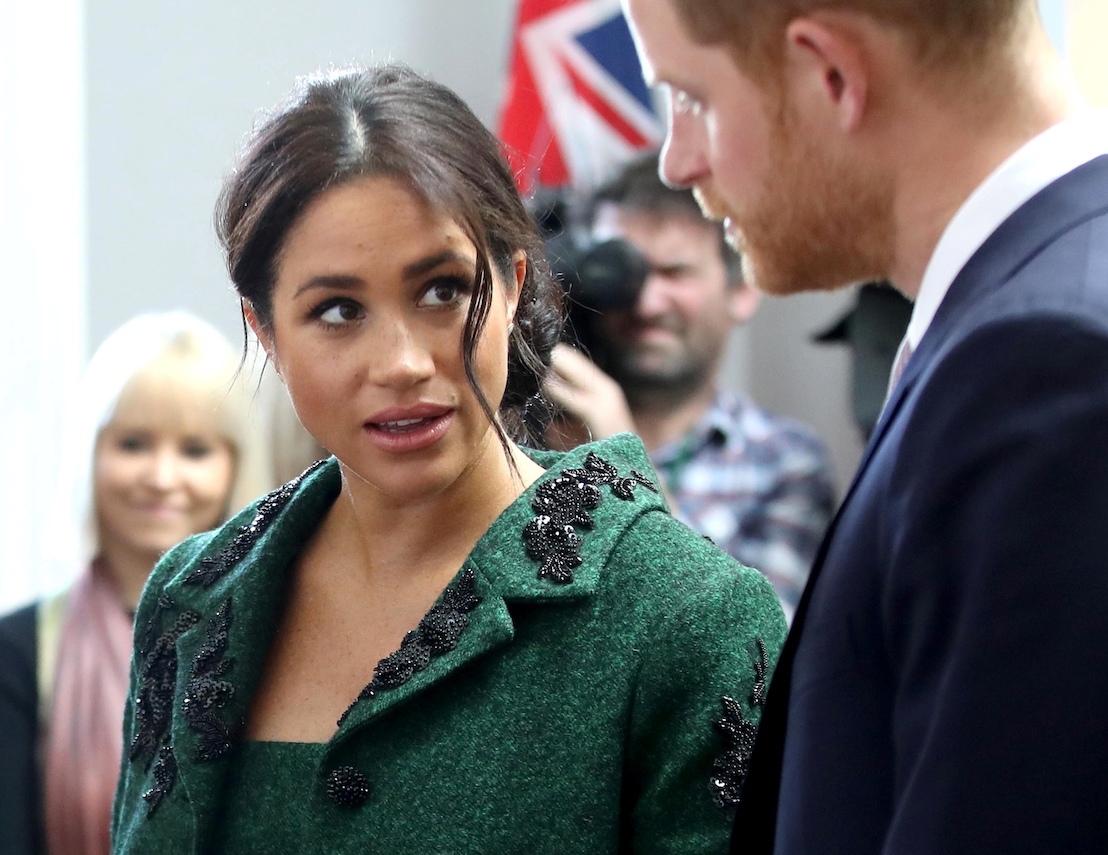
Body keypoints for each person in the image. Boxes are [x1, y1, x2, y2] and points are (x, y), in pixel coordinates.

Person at [109, 65, 786, 855]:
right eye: (337, 310)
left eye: (440, 291)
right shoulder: (193, 596)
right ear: (265, 331)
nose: (399, 361)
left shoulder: (687, 617)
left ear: (514, 283)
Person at [620, 0, 1108, 852]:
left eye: (691, 97)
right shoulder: (1070, 307)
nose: (678, 160)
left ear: (832, 74)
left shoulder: (1061, 367)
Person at [0, 311, 271, 855]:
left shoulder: (284, 636)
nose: (162, 477)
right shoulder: (20, 651)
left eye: (195, 450)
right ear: (90, 455)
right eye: (133, 444)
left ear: (236, 466)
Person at [544, 153, 834, 617]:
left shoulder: (781, 461)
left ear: (741, 292)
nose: (646, 301)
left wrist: (624, 463)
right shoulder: (530, 429)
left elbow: (764, 655)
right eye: (625, 269)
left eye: (674, 273)